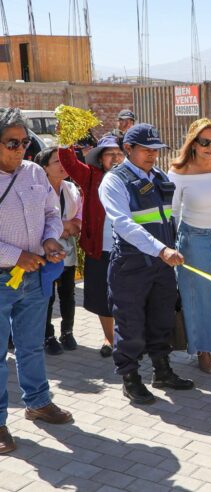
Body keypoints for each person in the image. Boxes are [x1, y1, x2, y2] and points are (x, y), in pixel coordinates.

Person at [99, 123, 194, 404]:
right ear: (128, 149)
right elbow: (123, 224)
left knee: (161, 319)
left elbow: (169, 219)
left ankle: (162, 371)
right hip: (131, 265)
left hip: (161, 265)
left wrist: (171, 248)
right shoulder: (114, 181)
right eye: (146, 150)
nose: (152, 155)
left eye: (156, 150)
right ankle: (130, 379)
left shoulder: (160, 177)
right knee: (130, 325)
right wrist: (160, 249)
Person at [0, 108, 72, 454]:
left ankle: (38, 403)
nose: (20, 149)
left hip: (34, 278)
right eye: (11, 142)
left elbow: (50, 212)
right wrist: (16, 256)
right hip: (2, 278)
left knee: (30, 346)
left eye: (24, 142)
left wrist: (50, 239)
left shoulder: (33, 173)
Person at [169, 118, 211, 374]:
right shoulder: (178, 171)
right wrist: (171, 247)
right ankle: (202, 351)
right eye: (205, 141)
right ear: (193, 143)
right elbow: (173, 213)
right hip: (192, 240)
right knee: (198, 297)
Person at [58, 136, 123, 357]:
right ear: (100, 159)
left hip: (128, 250)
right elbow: (69, 163)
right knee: (102, 297)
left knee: (127, 296)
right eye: (109, 154)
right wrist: (65, 138)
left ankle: (127, 338)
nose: (115, 158)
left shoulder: (132, 178)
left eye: (119, 153)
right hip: (99, 249)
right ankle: (110, 338)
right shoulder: (91, 177)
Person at [37, 148, 83, 355]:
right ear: (44, 167)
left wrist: (70, 226)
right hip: (45, 249)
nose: (62, 165)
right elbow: (40, 221)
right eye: (57, 161)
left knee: (68, 292)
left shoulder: (71, 189)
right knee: (48, 295)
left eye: (64, 160)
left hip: (68, 249)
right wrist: (63, 226)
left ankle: (68, 332)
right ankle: (48, 336)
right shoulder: (38, 190)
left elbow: (78, 220)